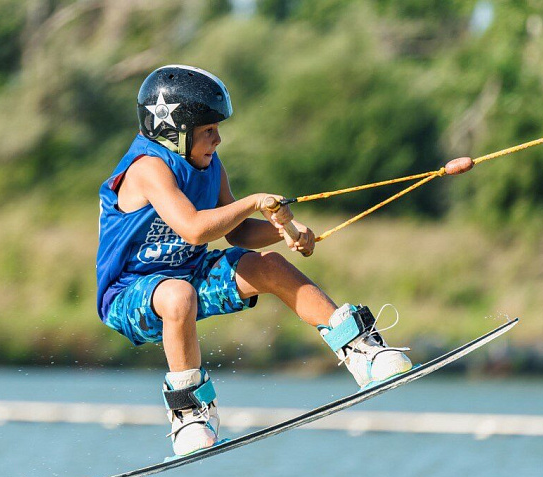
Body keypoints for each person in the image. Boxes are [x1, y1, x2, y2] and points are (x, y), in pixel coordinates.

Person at [97, 65, 412, 456]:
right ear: (175, 129)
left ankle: (359, 351)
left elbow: (237, 232)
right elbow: (195, 229)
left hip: (190, 275)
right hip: (130, 294)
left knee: (270, 267)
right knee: (177, 295)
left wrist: (289, 231)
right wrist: (253, 201)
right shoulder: (148, 169)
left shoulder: (211, 166)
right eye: (208, 129)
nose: (218, 137)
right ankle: (189, 415)